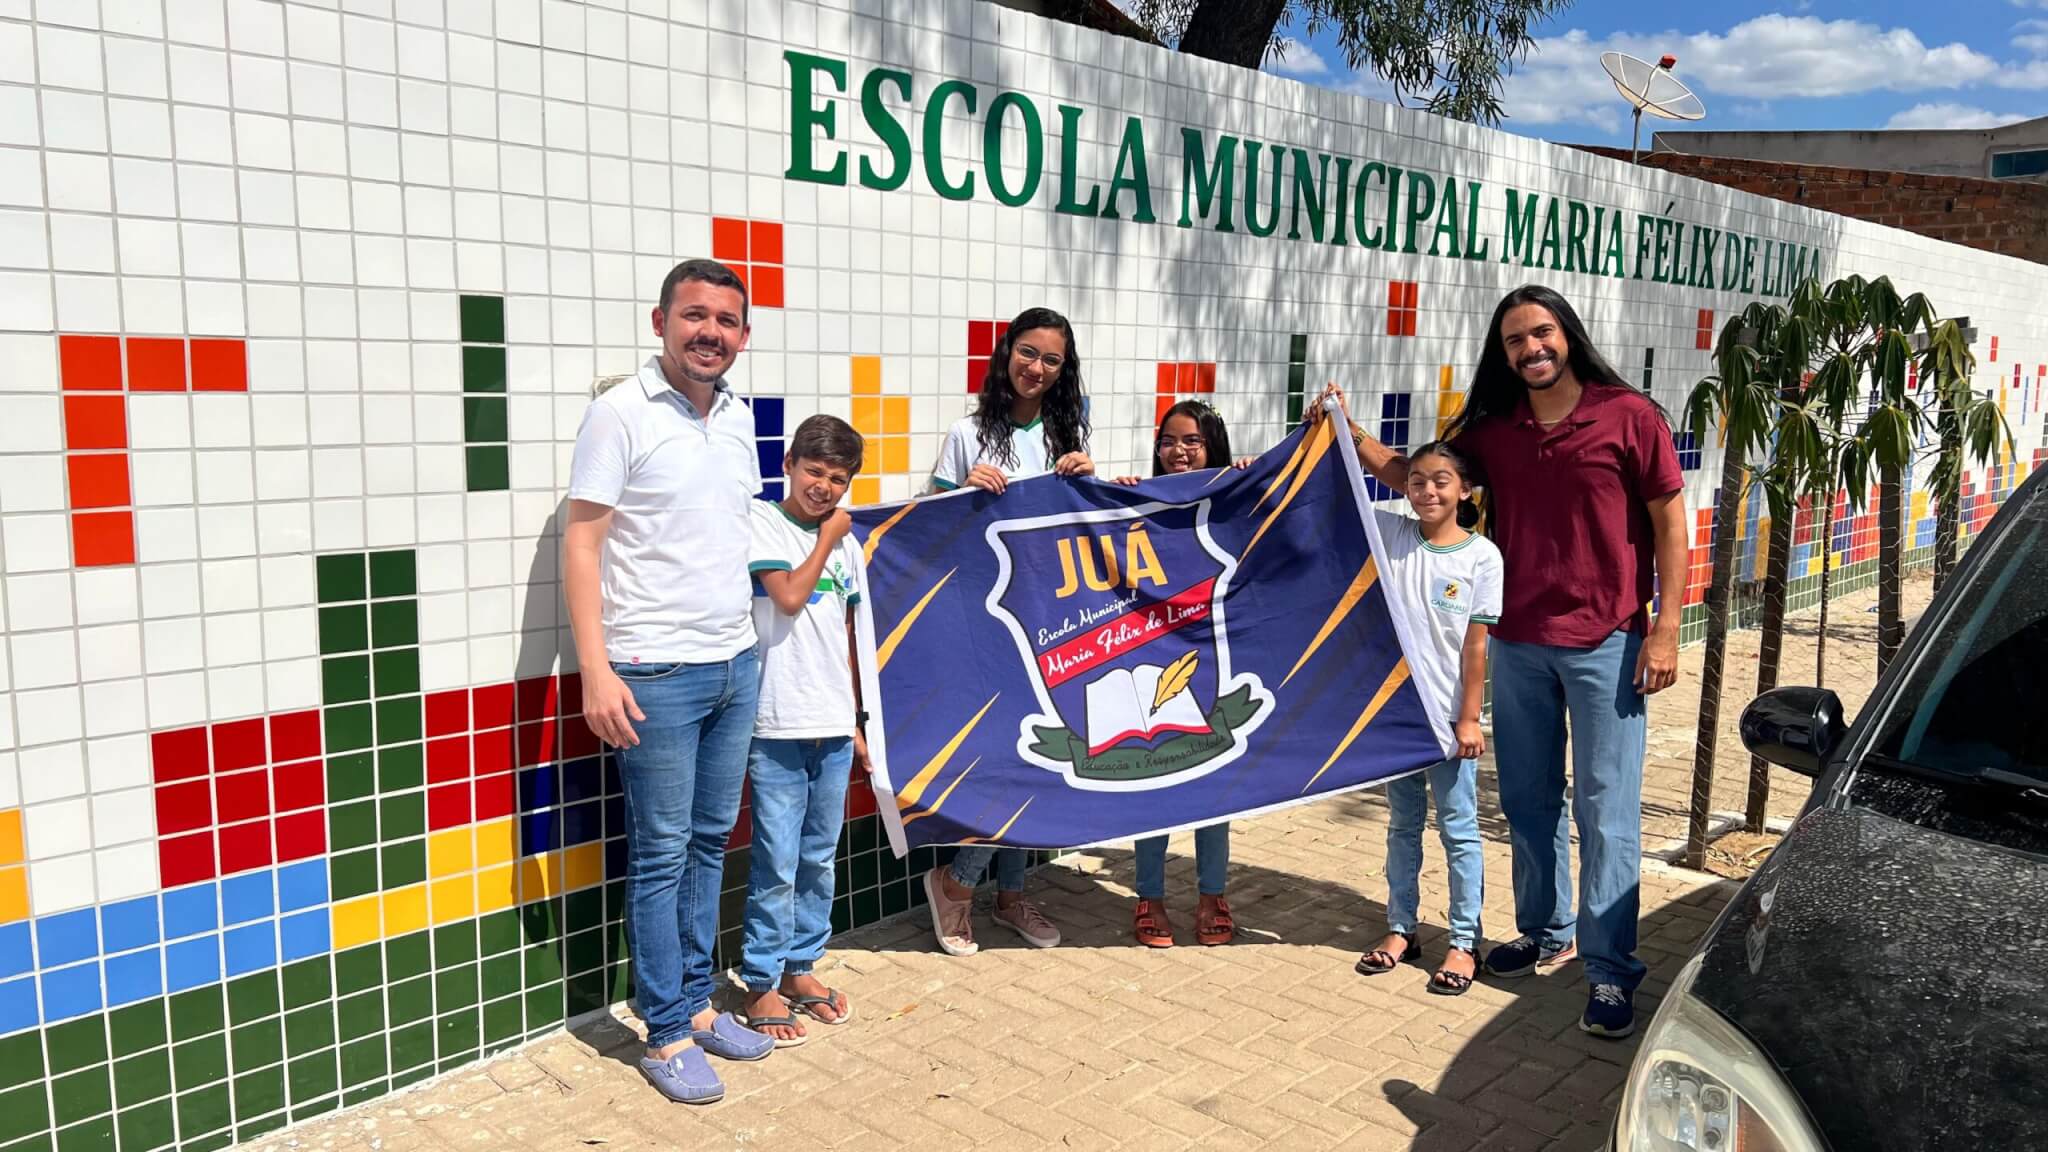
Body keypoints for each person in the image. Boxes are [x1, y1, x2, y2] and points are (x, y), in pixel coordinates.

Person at [1316, 284, 1688, 1038]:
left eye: (1542, 333)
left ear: (1568, 336)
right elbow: (1415, 475)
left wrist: (1667, 627)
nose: (1532, 349)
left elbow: (1670, 524)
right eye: (1516, 340)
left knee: (1605, 814)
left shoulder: (1629, 415)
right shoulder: (1497, 429)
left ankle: (1609, 970)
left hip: (1607, 641)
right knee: (1527, 801)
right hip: (1516, 643)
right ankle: (1543, 932)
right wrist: (1346, 431)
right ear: (1505, 352)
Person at [565, 259, 776, 1106]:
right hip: (654, 672)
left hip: (734, 663)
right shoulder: (617, 414)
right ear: (660, 322)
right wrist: (596, 669)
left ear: (743, 336)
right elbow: (583, 541)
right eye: (695, 316)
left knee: (706, 842)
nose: (710, 333)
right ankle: (662, 1030)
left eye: (726, 321)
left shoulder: (736, 419)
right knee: (658, 855)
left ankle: (694, 1006)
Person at [921, 306, 1096, 956]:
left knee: (1043, 753)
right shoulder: (968, 432)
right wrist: (960, 490)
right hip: (984, 621)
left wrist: (1088, 478)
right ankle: (958, 881)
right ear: (1007, 354)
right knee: (1002, 757)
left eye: (1052, 359)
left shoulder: (1066, 431)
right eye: (1028, 353)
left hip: (1051, 617)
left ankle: (1010, 892)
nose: (1037, 368)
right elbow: (925, 530)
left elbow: (1083, 524)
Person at [1340, 440, 1497, 995]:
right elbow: (1335, 491)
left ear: (1464, 490)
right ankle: (1402, 928)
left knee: (1459, 831)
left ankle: (1463, 939)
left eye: (1440, 481)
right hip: (1399, 719)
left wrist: (1470, 719)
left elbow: (1475, 647)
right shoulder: (1393, 534)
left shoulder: (1481, 558)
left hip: (1450, 720)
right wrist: (1338, 422)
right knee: (1403, 826)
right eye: (1417, 481)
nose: (1427, 491)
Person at [737, 415, 870, 1046]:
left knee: (819, 858)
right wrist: (826, 537)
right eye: (814, 471)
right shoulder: (767, 521)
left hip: (832, 722)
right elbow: (788, 597)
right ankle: (760, 977)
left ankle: (800, 968)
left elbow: (848, 637)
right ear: (789, 464)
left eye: (837, 479)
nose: (823, 487)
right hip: (778, 722)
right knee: (777, 859)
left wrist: (858, 720)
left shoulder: (845, 544)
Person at [1112, 400, 1252, 947]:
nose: (1179, 450)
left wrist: (1249, 479)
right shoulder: (1137, 498)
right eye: (1169, 439)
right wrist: (1115, 495)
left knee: (1213, 787)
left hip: (1214, 654)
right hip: (1150, 657)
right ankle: (1148, 897)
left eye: (1192, 440)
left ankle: (1213, 894)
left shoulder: (1229, 494)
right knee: (1155, 781)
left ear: (1211, 443)